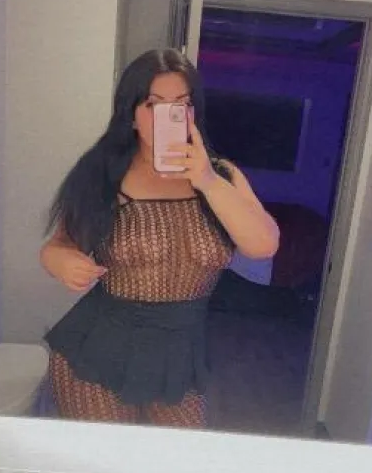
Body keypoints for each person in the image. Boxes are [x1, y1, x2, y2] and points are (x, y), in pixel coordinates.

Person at [40, 48, 279, 428]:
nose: (169, 115)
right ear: (131, 114)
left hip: (180, 357)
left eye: (181, 104)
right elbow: (57, 246)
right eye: (153, 104)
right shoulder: (104, 173)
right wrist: (62, 262)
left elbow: (264, 245)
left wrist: (207, 181)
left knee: (174, 463)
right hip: (99, 352)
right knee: (106, 464)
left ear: (193, 112)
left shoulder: (221, 176)